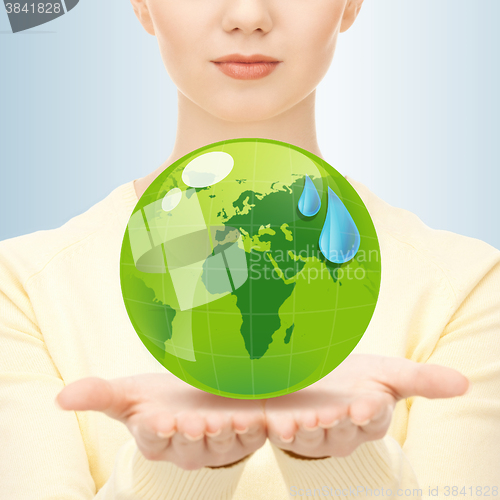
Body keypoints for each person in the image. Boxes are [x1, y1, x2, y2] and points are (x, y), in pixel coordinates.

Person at [1, 0, 499, 498]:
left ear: (350, 4)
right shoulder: (24, 289)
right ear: (141, 5)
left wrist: (337, 460)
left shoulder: (467, 287)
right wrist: (178, 468)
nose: (247, 15)